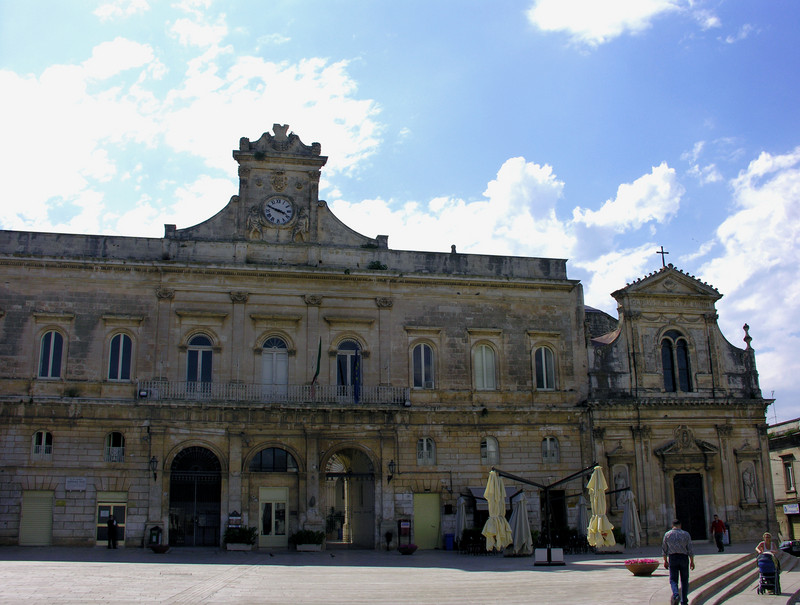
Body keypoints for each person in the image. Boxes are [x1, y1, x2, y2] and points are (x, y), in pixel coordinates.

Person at [662, 519, 695, 605]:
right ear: (680, 525)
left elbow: (664, 550)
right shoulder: (686, 534)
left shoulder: (667, 534)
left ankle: (676, 594)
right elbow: (690, 549)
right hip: (683, 557)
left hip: (673, 557)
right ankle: (684, 601)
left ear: (672, 525)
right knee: (684, 580)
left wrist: (665, 561)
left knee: (673, 579)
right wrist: (692, 561)